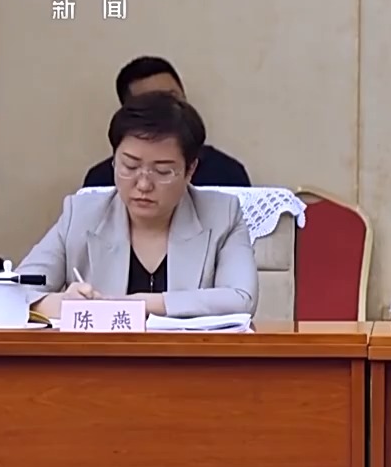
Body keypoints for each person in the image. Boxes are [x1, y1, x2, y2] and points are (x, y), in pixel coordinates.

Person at [20, 92, 258, 318]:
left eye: (162, 171)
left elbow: (240, 299)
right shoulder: (81, 215)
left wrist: (137, 305)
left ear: (190, 170)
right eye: (130, 166)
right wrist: (63, 304)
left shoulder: (222, 215)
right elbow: (14, 291)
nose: (143, 184)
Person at [82, 56, 251, 187]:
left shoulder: (226, 172)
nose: (168, 109)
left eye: (173, 97)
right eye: (154, 102)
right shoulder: (102, 181)